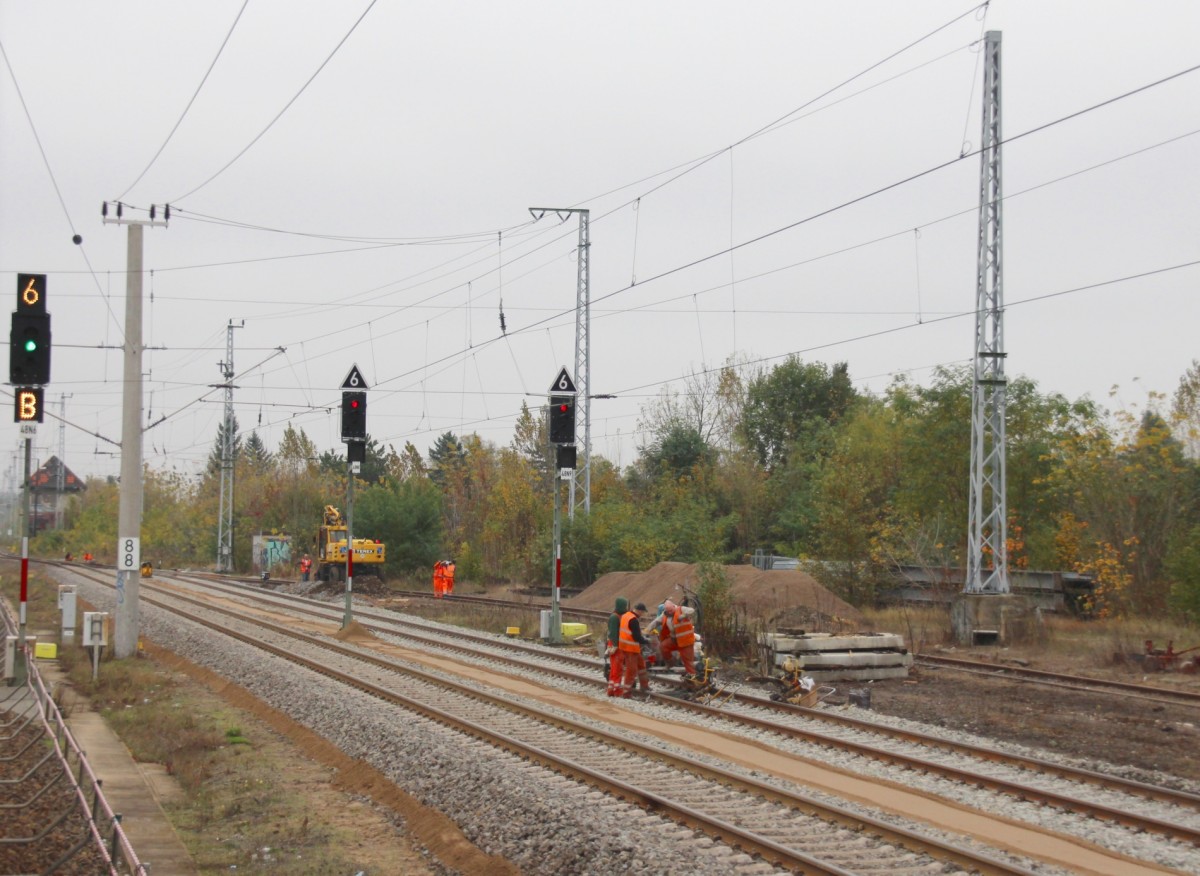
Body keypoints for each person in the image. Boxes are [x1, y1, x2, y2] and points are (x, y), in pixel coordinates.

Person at [618, 602, 652, 698]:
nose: (643, 614)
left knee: (641, 665)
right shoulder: (634, 620)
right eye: (643, 612)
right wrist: (646, 641)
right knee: (631, 670)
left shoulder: (626, 615)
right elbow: (636, 636)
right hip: (630, 648)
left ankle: (644, 686)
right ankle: (626, 692)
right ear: (639, 611)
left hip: (625, 646)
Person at [659, 599, 698, 676]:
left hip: (685, 641)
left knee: (687, 660)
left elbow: (692, 610)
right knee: (663, 647)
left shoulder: (681, 609)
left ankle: (693, 677)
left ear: (674, 606)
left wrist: (683, 615)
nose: (670, 612)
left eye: (671, 610)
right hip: (674, 640)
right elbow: (656, 621)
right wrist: (648, 629)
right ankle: (671, 663)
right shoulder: (665, 615)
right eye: (668, 611)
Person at [605, 597, 628, 696]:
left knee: (614, 668)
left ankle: (611, 689)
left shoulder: (615, 616)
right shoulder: (615, 617)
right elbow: (614, 633)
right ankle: (617, 690)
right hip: (616, 645)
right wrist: (615, 645)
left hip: (614, 644)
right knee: (617, 668)